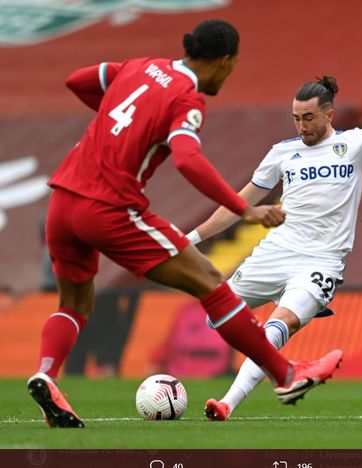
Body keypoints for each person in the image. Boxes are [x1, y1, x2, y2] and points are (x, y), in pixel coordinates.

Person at [27, 19, 342, 429]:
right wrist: (244, 210)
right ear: (224, 62)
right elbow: (187, 159)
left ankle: (45, 375)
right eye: (232, 68)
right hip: (109, 207)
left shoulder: (138, 66)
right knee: (210, 280)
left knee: (73, 305)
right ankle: (286, 375)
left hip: (62, 201)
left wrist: (120, 123)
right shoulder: (185, 98)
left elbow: (78, 80)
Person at [187, 68, 362, 420]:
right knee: (215, 316)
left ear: (329, 114)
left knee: (282, 323)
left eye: (308, 118)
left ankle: (227, 403)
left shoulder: (356, 145)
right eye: (296, 119)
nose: (302, 126)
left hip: (321, 262)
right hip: (276, 251)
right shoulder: (281, 153)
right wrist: (192, 238)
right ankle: (278, 364)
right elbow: (239, 204)